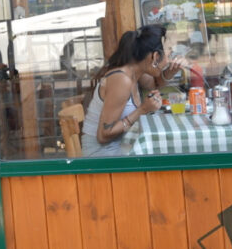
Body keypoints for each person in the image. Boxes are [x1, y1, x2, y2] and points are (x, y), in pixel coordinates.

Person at [79, 25, 186, 154]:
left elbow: (155, 84)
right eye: (169, 53)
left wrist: (171, 71)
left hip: (121, 145)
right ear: (155, 56)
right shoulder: (121, 79)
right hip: (103, 153)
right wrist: (143, 109)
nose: (169, 60)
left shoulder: (135, 71)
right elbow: (103, 136)